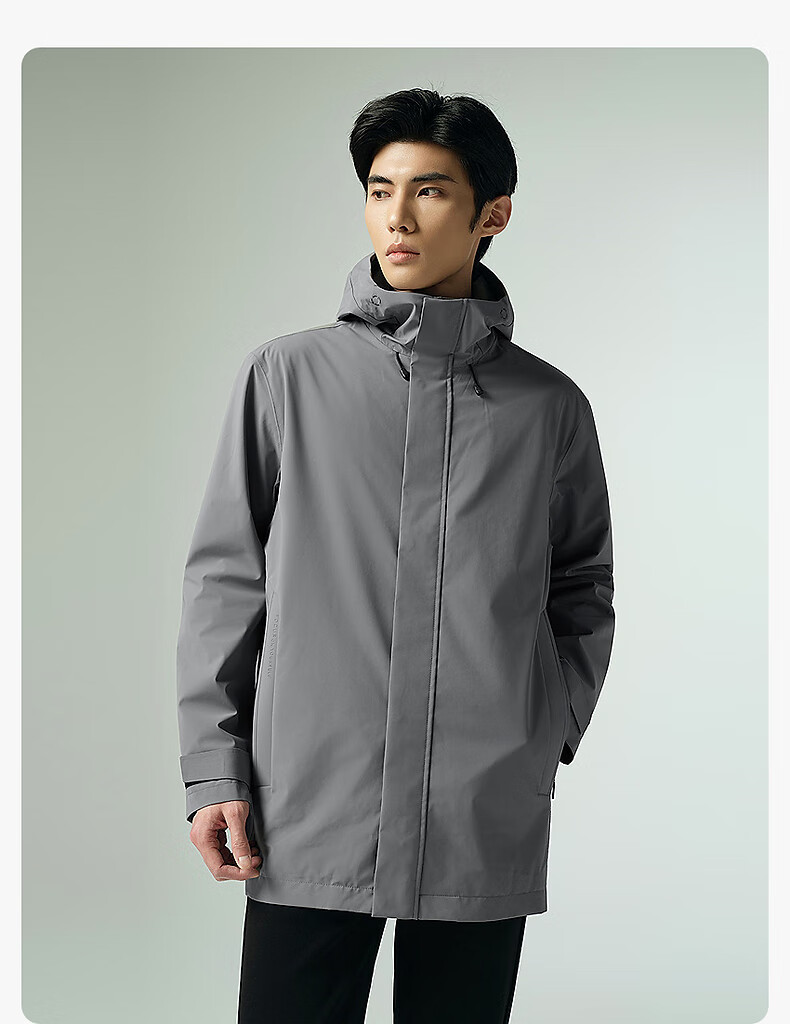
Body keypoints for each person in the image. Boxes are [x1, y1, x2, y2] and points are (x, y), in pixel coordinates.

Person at [176, 87, 615, 1023]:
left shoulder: (550, 407)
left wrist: (543, 728)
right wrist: (215, 770)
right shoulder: (288, 376)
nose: (398, 218)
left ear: (492, 214)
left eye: (431, 191)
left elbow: (582, 585)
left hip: (482, 801)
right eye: (380, 191)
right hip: (309, 798)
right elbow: (225, 579)